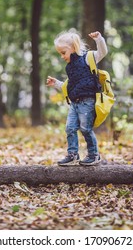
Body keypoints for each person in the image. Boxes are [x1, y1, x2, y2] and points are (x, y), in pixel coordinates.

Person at [46, 30, 108, 166]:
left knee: (86, 129)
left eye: (63, 52)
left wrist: (99, 39)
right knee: (70, 128)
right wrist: (56, 83)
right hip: (74, 103)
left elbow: (102, 52)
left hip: (88, 102)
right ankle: (73, 155)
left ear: (74, 47)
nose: (62, 56)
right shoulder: (69, 68)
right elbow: (68, 86)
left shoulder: (87, 58)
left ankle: (94, 155)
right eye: (60, 54)